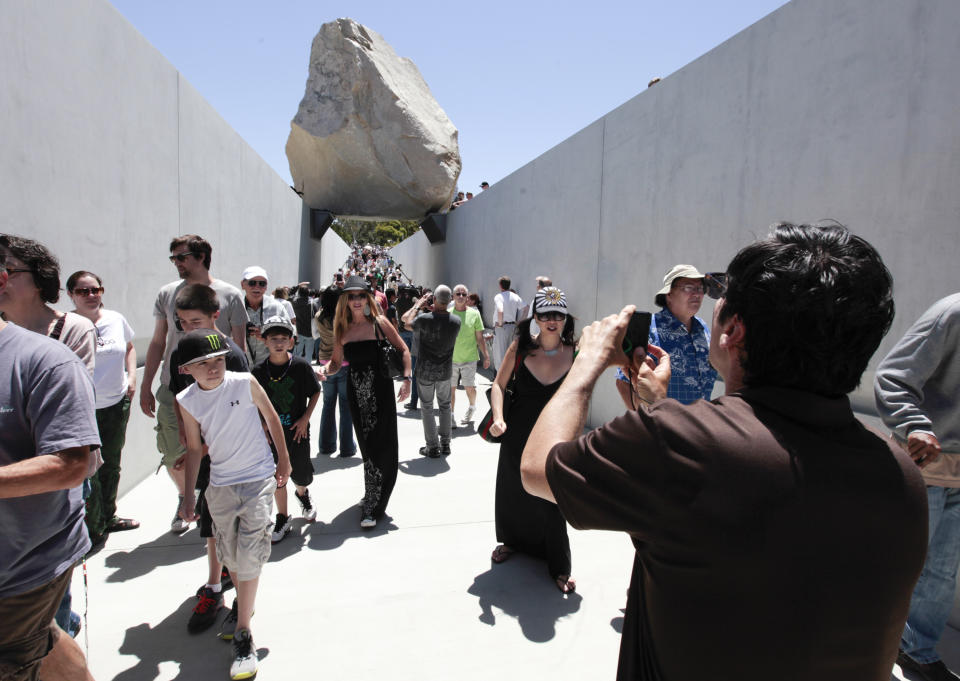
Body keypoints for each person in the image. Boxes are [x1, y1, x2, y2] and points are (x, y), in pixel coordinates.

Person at [520, 222, 929, 680]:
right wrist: (662, 407)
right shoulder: (902, 478)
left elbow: (538, 469)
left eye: (717, 300)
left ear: (732, 329)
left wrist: (588, 362)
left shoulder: (677, 443)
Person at [0, 255, 99, 681]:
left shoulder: (48, 358)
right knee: (44, 639)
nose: (90, 297)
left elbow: (72, 461)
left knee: (18, 653)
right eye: (84, 291)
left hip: (24, 564)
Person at [175, 329, 291, 681]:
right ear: (186, 370)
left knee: (249, 552)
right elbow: (196, 449)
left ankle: (243, 633)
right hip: (220, 486)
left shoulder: (244, 382)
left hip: (257, 479)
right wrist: (188, 496)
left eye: (219, 360)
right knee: (229, 555)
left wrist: (283, 462)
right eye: (204, 364)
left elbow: (271, 418)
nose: (214, 368)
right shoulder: (186, 400)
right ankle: (244, 602)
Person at [875, 293, 960, 681]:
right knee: (899, 564)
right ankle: (864, 645)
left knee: (943, 571)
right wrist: (915, 425)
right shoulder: (952, 314)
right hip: (923, 464)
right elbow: (893, 375)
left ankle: (917, 651)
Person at [140, 234, 247, 534]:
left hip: (217, 392)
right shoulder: (166, 294)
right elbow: (159, 341)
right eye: (173, 257)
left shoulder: (229, 295)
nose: (176, 263)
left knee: (216, 453)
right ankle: (186, 495)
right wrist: (147, 383)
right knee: (175, 453)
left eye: (181, 257)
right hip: (173, 388)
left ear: (201, 257)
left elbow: (238, 346)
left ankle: (215, 510)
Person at [167, 284, 248, 633]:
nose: (188, 328)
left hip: (232, 457)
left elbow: (249, 408)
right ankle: (214, 586)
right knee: (210, 523)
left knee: (235, 526)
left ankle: (239, 595)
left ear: (216, 316)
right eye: (182, 322)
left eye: (195, 320)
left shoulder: (234, 356)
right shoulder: (181, 354)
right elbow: (180, 396)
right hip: (202, 452)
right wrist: (189, 439)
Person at [488, 286, 577, 594]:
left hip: (554, 436)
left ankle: (559, 566)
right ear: (535, 317)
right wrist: (499, 417)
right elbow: (498, 385)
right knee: (514, 491)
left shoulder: (575, 352)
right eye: (546, 314)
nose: (552, 320)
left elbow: (582, 395)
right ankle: (512, 543)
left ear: (566, 318)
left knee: (552, 497)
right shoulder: (521, 347)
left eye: (558, 315)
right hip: (517, 433)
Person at [317, 275, 411, 529]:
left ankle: (373, 504)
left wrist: (407, 379)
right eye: (352, 296)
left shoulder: (379, 323)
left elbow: (404, 349)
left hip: (381, 392)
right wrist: (323, 371)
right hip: (356, 395)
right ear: (345, 301)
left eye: (361, 295)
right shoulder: (342, 329)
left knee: (384, 446)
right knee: (367, 448)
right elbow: (336, 363)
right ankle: (373, 493)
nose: (357, 301)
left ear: (367, 298)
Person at [66, 270, 139, 543]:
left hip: (116, 403)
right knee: (88, 470)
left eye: (96, 290)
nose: (91, 295)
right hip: (82, 409)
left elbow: (130, 348)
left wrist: (131, 377)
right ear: (71, 295)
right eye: (83, 291)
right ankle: (91, 528)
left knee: (111, 464)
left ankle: (108, 517)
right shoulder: (68, 325)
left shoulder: (115, 319)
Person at [252, 316, 321, 542]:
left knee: (301, 474)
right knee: (277, 476)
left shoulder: (300, 366)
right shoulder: (259, 371)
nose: (279, 343)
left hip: (296, 432)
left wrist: (305, 418)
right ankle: (283, 516)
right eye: (273, 338)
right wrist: (261, 423)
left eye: (283, 338)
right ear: (265, 341)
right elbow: (253, 401)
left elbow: (315, 391)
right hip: (271, 437)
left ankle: (302, 494)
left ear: (291, 341)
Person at [614, 264, 717, 409]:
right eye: (689, 287)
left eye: (700, 288)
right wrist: (648, 421)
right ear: (669, 295)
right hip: (664, 426)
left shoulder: (702, 328)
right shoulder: (650, 329)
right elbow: (623, 381)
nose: (697, 294)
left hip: (701, 424)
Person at [403, 286, 461, 458]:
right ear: (450, 300)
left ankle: (432, 446)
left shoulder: (424, 319)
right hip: (444, 370)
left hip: (425, 370)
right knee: (445, 406)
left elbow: (405, 320)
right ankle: (445, 443)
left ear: (434, 299)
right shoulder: (456, 321)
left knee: (427, 408)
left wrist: (418, 305)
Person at [315, 287, 356, 458]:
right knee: (346, 406)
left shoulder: (319, 316)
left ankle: (326, 446)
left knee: (328, 404)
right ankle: (346, 448)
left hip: (325, 360)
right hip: (344, 362)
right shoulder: (345, 317)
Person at [449, 284, 490, 426]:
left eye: (463, 294)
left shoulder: (474, 314)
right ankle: (451, 416)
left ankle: (472, 407)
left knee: (469, 388)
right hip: (451, 359)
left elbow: (479, 338)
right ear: (453, 297)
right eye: (458, 294)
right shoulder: (447, 313)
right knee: (451, 388)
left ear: (467, 298)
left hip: (470, 358)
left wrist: (486, 355)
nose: (460, 296)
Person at [240, 266, 291, 367]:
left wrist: (266, 335)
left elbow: (291, 342)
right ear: (243, 284)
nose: (257, 287)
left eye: (262, 283)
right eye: (252, 283)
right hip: (242, 368)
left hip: (270, 368)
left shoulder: (277, 308)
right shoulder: (236, 307)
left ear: (266, 287)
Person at [492, 275, 525, 371]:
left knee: (500, 355)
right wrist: (520, 322)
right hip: (513, 327)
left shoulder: (499, 296)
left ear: (500, 285)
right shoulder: (515, 296)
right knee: (511, 354)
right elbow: (526, 308)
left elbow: (500, 310)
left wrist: (501, 323)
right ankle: (510, 379)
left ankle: (500, 380)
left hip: (503, 327)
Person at [290, 284, 318, 360]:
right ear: (308, 293)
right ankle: (307, 368)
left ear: (299, 293)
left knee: (297, 352)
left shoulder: (294, 302)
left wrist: (297, 286)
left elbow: (290, 294)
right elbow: (317, 316)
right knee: (309, 352)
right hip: (310, 331)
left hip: (299, 331)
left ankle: (296, 367)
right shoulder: (312, 304)